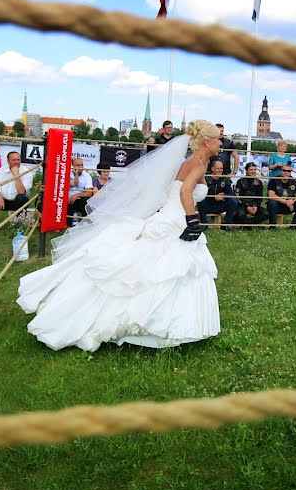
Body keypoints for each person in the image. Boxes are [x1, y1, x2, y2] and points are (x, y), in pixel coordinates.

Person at [17, 120, 222, 351]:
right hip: (176, 219)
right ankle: (160, 322)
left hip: (173, 215)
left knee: (172, 266)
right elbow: (185, 192)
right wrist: (192, 220)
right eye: (218, 139)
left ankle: (179, 323)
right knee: (165, 266)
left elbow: (184, 189)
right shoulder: (196, 163)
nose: (221, 143)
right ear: (207, 141)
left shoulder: (196, 161)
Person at [197, 160, 238, 229]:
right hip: (208, 204)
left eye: (221, 168)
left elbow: (231, 193)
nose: (220, 170)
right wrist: (213, 197)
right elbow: (200, 193)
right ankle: (204, 225)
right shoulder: (205, 178)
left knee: (233, 201)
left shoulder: (225, 179)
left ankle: (226, 225)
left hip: (220, 205)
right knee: (201, 201)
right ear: (212, 169)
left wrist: (223, 196)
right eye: (218, 168)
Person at [232, 162, 269, 229]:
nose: (253, 171)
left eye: (254, 170)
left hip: (254, 205)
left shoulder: (259, 182)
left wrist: (255, 206)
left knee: (266, 213)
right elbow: (237, 196)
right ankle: (252, 226)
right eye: (251, 170)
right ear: (246, 171)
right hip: (242, 205)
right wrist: (247, 206)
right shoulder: (240, 181)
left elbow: (260, 197)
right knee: (240, 214)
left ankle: (248, 225)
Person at [67, 157, 95, 227]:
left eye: (81, 165)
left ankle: (87, 223)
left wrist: (77, 195)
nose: (80, 167)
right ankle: (68, 224)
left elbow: (89, 193)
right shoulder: (67, 173)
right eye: (78, 165)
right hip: (67, 199)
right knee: (68, 202)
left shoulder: (87, 176)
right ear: (73, 166)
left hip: (80, 199)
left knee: (85, 202)